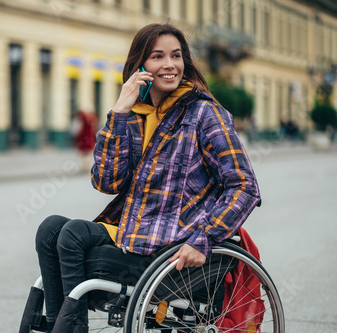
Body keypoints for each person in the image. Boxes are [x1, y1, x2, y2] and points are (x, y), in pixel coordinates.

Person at [30, 22, 261, 333]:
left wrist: (203, 237)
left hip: (173, 244)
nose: (169, 65)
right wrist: (120, 113)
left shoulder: (205, 114)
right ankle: (64, 326)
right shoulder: (136, 115)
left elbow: (245, 186)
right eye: (157, 56)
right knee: (50, 229)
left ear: (185, 62)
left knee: (71, 234)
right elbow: (106, 182)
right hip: (134, 232)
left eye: (176, 56)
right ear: (140, 65)